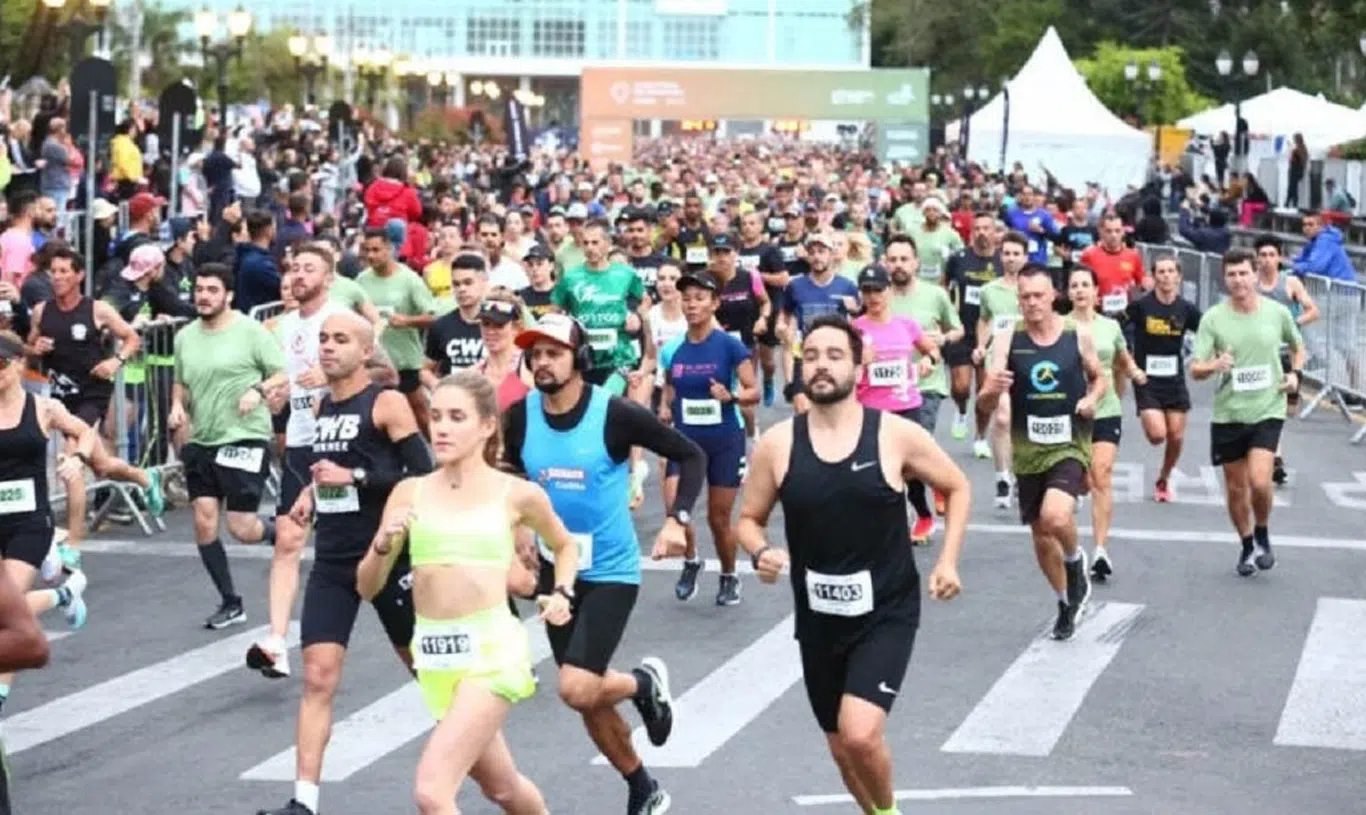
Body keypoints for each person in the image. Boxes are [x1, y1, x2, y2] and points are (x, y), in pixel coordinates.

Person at [730, 314, 968, 815]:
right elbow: (748, 520)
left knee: (861, 736)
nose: (821, 366)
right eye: (812, 355)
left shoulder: (894, 435)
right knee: (841, 750)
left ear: (860, 368)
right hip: (818, 619)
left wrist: (948, 560)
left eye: (835, 356)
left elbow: (958, 485)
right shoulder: (778, 443)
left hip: (886, 611)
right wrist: (761, 552)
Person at [502, 313, 707, 815]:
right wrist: (519, 529)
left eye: (553, 352)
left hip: (611, 570)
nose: (542, 362)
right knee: (587, 693)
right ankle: (642, 787)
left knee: (575, 684)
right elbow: (511, 473)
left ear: (579, 359)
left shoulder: (613, 414)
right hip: (555, 571)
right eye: (535, 354)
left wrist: (678, 518)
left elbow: (691, 454)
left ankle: (642, 684)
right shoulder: (521, 415)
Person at [354, 371, 577, 815]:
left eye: (457, 417)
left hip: (492, 651)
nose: (441, 427)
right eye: (435, 416)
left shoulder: (516, 493)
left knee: (433, 792)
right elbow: (367, 586)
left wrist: (563, 593)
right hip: (434, 655)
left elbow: (565, 544)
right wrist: (382, 546)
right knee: (504, 788)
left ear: (487, 426)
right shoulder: (409, 492)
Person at [256, 312, 435, 815]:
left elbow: (421, 477)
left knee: (428, 674)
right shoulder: (316, 404)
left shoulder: (387, 403)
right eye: (324, 339)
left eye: (341, 340)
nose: (329, 347)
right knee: (317, 676)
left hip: (387, 558)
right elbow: (330, 467)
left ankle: (478, 758)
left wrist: (352, 477)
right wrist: (314, 491)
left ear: (365, 349)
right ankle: (303, 802)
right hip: (334, 559)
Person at [978, 265, 1107, 640]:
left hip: (1070, 442)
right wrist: (992, 389)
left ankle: (1075, 559)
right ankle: (1066, 600)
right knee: (1039, 534)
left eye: (1039, 295)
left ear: (1054, 296)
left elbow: (1100, 376)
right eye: (1025, 296)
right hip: (1028, 447)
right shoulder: (1007, 339)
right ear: (1018, 299)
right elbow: (986, 401)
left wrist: (1091, 398)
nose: (1032, 303)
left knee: (1054, 516)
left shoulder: (1077, 335)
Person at [26, 245, 165, 565]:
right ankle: (145, 479)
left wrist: (115, 362)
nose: (58, 277)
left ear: (79, 275)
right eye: (54, 271)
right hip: (58, 396)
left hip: (92, 394)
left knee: (71, 464)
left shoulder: (97, 309)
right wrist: (37, 347)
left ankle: (73, 544)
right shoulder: (41, 311)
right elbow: (31, 346)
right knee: (100, 466)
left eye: (64, 271)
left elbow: (131, 338)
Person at [170, 263, 287, 629]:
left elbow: (281, 374)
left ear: (228, 295)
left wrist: (257, 391)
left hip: (244, 436)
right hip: (203, 438)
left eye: (212, 290)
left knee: (241, 527)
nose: (203, 296)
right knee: (204, 523)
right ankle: (230, 602)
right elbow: (181, 381)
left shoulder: (251, 332)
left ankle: (281, 532)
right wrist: (176, 405)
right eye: (199, 289)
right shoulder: (185, 336)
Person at [1189, 248, 1305, 577]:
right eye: (1232, 275)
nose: (1238, 280)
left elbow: (1298, 348)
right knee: (1236, 487)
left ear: (1255, 275)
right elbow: (1196, 369)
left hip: (1268, 407)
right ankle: (1246, 543)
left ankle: (1263, 532)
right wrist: (1216, 364)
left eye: (1243, 273)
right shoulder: (1213, 318)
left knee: (1260, 480)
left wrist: (1295, 374)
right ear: (1224, 279)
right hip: (1229, 414)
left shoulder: (1277, 312)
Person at [0, 330, 95, 717]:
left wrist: (77, 458)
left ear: (19, 364)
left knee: (7, 613)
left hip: (28, 522)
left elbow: (83, 431)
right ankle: (64, 595)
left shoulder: (43, 408)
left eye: (1, 366)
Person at [657, 272, 759, 605]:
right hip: (685, 443)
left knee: (718, 518)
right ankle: (691, 560)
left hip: (724, 440)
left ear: (715, 303)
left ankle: (729, 575)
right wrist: (664, 410)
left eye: (700, 298)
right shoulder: (672, 348)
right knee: (676, 509)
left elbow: (752, 391)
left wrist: (730, 395)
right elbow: (670, 388)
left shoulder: (730, 345)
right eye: (686, 298)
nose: (691, 305)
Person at [852, 264, 943, 544]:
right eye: (866, 291)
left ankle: (925, 511)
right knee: (877, 470)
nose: (872, 297)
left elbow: (933, 350)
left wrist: (929, 361)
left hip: (906, 404)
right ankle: (888, 524)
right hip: (870, 409)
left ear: (888, 291)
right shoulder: (854, 329)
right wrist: (859, 361)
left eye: (877, 290)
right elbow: (845, 373)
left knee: (911, 467)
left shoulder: (906, 325)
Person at [1065, 267, 1146, 582]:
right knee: (1081, 479)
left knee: (1101, 475)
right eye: (1075, 285)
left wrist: (1136, 374)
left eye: (1086, 285)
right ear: (1068, 292)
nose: (1081, 290)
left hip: (1106, 408)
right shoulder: (1061, 327)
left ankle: (1100, 550)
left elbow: (1122, 360)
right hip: (1071, 410)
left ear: (1096, 292)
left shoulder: (1111, 326)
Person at [885, 235, 963, 520]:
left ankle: (925, 506)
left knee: (914, 449)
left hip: (927, 385)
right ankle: (930, 489)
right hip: (889, 390)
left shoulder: (935, 295)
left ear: (916, 263)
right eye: (893, 260)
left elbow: (957, 330)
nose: (898, 265)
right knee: (898, 456)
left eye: (904, 259)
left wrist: (942, 338)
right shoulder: (879, 297)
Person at [1125, 255, 1202, 503]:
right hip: (1146, 379)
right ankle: (1150, 420)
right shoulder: (1141, 306)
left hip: (1174, 380)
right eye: (1161, 272)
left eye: (1171, 271)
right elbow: (1118, 328)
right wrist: (1126, 359)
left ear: (1178, 277)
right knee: (1158, 435)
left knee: (1176, 436)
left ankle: (1164, 477)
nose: (1166, 276)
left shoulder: (1186, 309)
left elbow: (1210, 331)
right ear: (1154, 276)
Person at [1253, 235, 1319, 486]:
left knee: (1285, 410)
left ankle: (1273, 451)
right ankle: (1275, 457)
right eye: (1263, 255)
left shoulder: (1290, 283)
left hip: (1288, 354)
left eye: (1272, 255)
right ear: (1257, 258)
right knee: (1268, 406)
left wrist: (1292, 323)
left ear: (1279, 257)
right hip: (1261, 355)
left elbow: (1313, 310)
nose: (1268, 260)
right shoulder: (1252, 284)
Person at [358, 227, 438, 435]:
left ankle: (443, 455)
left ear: (389, 249)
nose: (371, 255)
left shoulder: (409, 279)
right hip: (374, 364)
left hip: (404, 361)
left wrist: (408, 321)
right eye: (367, 250)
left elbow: (433, 316)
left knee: (420, 411)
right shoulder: (362, 281)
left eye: (376, 250)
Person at [972, 231, 1028, 506]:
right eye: (1006, 253)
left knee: (1024, 421)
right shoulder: (989, 290)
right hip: (998, 359)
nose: (1011, 259)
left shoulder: (1033, 288)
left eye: (1016, 254)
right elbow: (985, 320)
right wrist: (981, 345)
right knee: (1003, 417)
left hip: (1029, 358)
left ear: (1025, 257)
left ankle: (1021, 473)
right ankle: (1002, 477)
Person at [779, 232, 860, 414]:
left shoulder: (847, 286)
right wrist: (781, 328)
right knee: (802, 408)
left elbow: (858, 324)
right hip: (805, 354)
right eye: (812, 252)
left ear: (831, 254)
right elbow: (785, 316)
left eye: (822, 251)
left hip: (835, 355)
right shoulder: (795, 286)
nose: (817, 256)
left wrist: (855, 311)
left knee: (834, 408)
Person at [942, 211, 1001, 445]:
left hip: (990, 333)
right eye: (978, 229)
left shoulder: (1000, 261)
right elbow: (944, 286)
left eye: (987, 228)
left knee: (985, 392)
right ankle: (961, 411)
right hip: (962, 329)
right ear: (972, 232)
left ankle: (980, 437)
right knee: (961, 386)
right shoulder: (959, 259)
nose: (982, 233)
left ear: (995, 232)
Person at [422, 254, 489, 385]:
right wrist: (437, 385)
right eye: (456, 284)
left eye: (468, 282)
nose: (462, 289)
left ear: (483, 282)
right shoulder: (441, 326)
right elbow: (425, 369)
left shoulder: (498, 323)